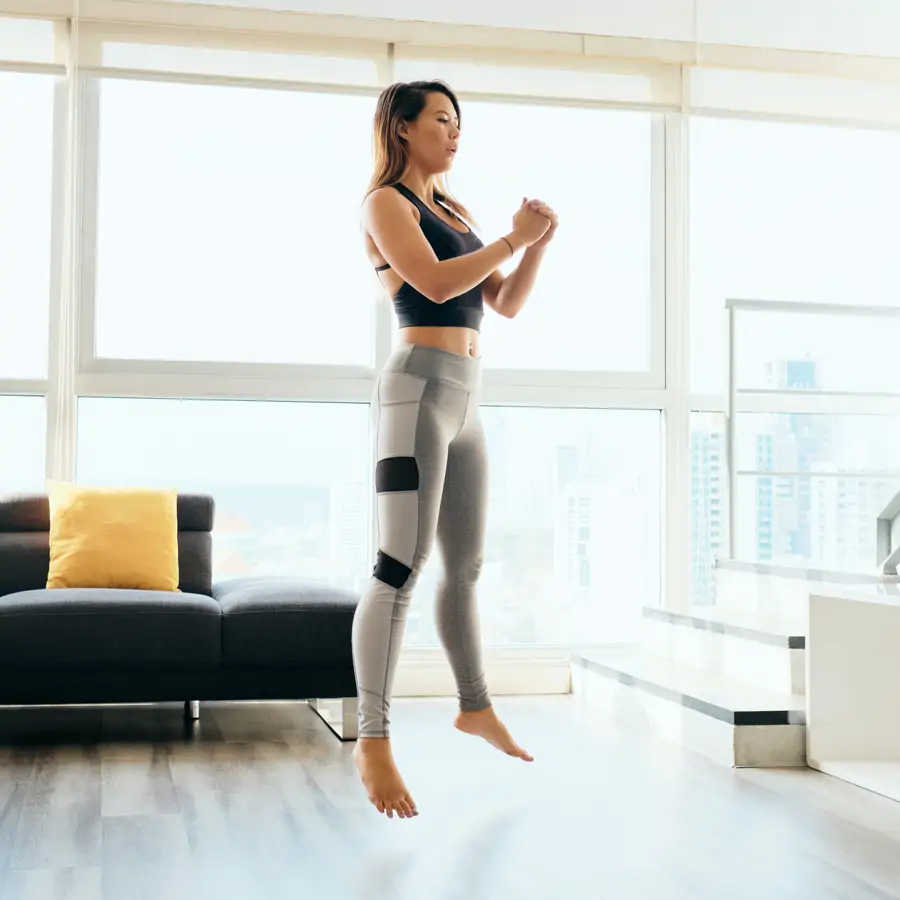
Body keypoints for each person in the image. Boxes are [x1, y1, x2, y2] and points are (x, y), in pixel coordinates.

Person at [352, 80, 558, 820]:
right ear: (403, 129)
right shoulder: (387, 203)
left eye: (459, 121)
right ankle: (372, 739)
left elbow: (500, 303)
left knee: (464, 567)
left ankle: (474, 706)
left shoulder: (455, 211)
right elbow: (434, 282)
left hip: (466, 398)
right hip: (416, 391)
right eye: (441, 119)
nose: (454, 132)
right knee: (397, 567)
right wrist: (512, 239)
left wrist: (534, 248)